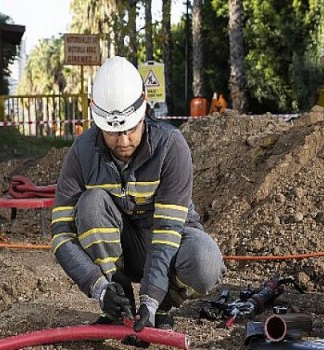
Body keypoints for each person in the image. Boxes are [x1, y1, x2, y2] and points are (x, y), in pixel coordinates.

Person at [50, 56, 225, 334]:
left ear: (143, 108)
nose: (123, 141)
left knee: (205, 261)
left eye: (131, 128)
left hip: (167, 244)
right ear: (95, 116)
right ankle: (120, 304)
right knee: (91, 204)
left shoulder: (170, 146)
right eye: (113, 132)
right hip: (122, 250)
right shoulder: (81, 152)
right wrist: (99, 288)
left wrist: (153, 299)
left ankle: (163, 307)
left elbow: (167, 231)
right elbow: (60, 234)